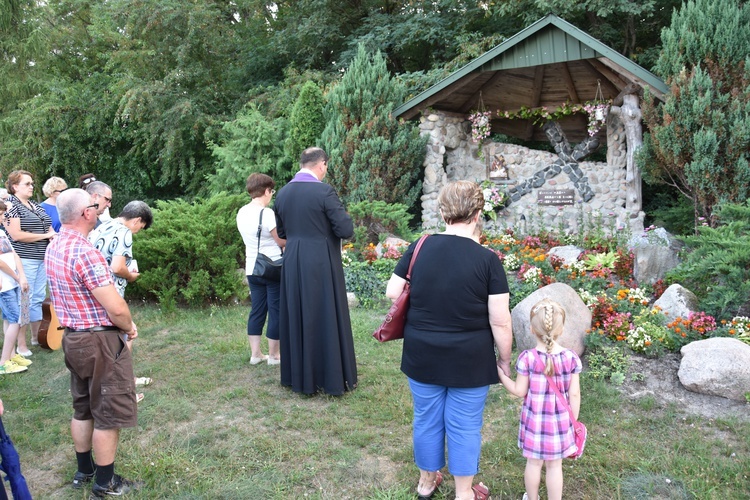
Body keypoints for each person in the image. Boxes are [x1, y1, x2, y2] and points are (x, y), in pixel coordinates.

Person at [385, 180, 513, 500]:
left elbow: (392, 292)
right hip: (469, 359)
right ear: (478, 213)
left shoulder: (420, 246)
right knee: (465, 426)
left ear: (442, 212)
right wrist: (505, 359)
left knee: (426, 419)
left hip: (422, 352)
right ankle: (464, 493)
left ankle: (426, 483)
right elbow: (500, 319)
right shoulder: (488, 260)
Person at [45, 188, 142, 497]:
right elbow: (114, 306)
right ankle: (105, 482)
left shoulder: (56, 245)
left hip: (72, 338)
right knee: (108, 411)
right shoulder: (85, 252)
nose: (99, 210)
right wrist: (129, 327)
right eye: (95, 206)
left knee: (83, 407)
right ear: (86, 213)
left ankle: (84, 471)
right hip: (99, 340)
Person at [273, 147, 357, 395]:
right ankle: (328, 376)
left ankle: (298, 376)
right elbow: (345, 229)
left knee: (298, 314)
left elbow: (283, 233)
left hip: (293, 260)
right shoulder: (324, 191)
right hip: (320, 260)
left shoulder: (283, 193)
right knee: (323, 314)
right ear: (322, 164)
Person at [497, 299, 582, 500]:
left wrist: (501, 375)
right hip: (561, 423)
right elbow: (575, 394)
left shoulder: (527, 358)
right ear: (561, 330)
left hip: (534, 423)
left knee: (533, 463)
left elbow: (519, 391)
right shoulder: (570, 358)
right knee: (555, 466)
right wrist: (572, 421)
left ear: (532, 330)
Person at [88, 201, 154, 398]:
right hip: (111, 294)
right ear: (137, 220)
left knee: (114, 340)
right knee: (127, 335)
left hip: (95, 292)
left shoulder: (103, 225)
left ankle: (122, 382)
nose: (136, 232)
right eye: (140, 228)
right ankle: (121, 389)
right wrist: (131, 275)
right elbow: (117, 267)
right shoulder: (124, 231)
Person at [4, 170, 56, 355]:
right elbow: (15, 235)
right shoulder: (11, 205)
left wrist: (53, 236)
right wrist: (45, 235)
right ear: (15, 186)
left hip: (42, 258)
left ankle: (36, 337)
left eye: (32, 183)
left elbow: (48, 225)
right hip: (24, 259)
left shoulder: (35, 205)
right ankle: (20, 345)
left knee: (38, 299)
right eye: (27, 183)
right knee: (24, 300)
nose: (32, 186)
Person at [236, 173, 285, 365]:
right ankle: (274, 356)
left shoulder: (241, 212)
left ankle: (255, 354)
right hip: (271, 267)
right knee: (275, 310)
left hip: (252, 268)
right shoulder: (267, 213)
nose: (271, 194)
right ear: (266, 191)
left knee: (257, 310)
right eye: (271, 191)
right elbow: (279, 241)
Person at [0, 201, 31, 374]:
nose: (4, 217)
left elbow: (14, 254)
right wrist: (17, 277)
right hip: (4, 285)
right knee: (15, 320)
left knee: (8, 319)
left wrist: (22, 275)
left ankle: (11, 356)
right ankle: (4, 362)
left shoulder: (2, 232)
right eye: (1, 214)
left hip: (12, 282)